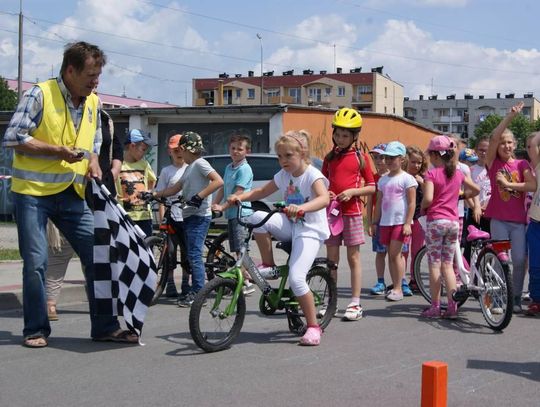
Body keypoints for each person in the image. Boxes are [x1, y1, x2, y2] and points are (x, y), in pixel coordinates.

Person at [3, 41, 136, 347]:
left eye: (98, 75)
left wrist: (92, 163)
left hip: (72, 193)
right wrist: (57, 151)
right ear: (70, 70)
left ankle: (105, 326)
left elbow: (94, 144)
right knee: (36, 261)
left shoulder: (93, 102)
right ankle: (35, 330)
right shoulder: (39, 94)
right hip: (33, 194)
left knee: (98, 255)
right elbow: (13, 137)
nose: (96, 81)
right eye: (91, 74)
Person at [227, 129, 330, 346]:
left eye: (288, 156)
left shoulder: (312, 174)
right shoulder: (283, 175)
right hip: (291, 225)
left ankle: (313, 327)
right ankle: (268, 262)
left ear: (302, 153)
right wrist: (240, 196)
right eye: (280, 156)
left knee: (296, 278)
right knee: (254, 215)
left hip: (310, 230)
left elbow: (323, 199)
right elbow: (261, 192)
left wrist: (302, 208)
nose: (283, 161)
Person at [45, 107, 122, 321]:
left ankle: (98, 303)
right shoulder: (66, 113)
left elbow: (117, 150)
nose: (93, 87)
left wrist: (113, 173)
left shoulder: (105, 118)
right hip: (70, 191)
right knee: (60, 249)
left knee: (97, 252)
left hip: (101, 192)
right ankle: (49, 302)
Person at [153, 131, 224, 307]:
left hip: (199, 217)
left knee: (193, 254)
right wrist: (153, 194)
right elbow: (174, 189)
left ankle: (198, 293)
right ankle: (195, 289)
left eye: (181, 150)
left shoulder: (200, 163)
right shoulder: (189, 168)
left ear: (184, 149)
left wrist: (199, 196)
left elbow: (218, 181)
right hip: (189, 216)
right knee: (191, 254)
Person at [321, 108, 375, 321]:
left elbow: (372, 186)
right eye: (338, 134)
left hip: (352, 213)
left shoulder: (360, 158)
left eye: (345, 135)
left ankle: (355, 302)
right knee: (331, 260)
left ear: (354, 136)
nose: (340, 139)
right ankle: (330, 301)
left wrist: (353, 192)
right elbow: (322, 184)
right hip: (332, 214)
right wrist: (327, 192)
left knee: (353, 258)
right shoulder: (328, 158)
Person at [420, 136, 480, 319]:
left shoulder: (431, 174)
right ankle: (452, 307)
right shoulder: (458, 173)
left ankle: (436, 306)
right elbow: (476, 190)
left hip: (436, 221)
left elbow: (429, 198)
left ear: (435, 155)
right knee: (448, 265)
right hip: (453, 222)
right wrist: (461, 195)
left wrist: (423, 205)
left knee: (434, 265)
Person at [485, 102, 536, 313]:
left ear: (515, 145)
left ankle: (514, 298)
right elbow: (494, 135)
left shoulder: (522, 165)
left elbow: (532, 185)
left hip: (518, 222)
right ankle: (498, 300)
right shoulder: (493, 163)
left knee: (519, 259)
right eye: (502, 143)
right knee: (500, 260)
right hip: (498, 220)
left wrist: (508, 185)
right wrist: (510, 116)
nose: (505, 146)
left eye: (509, 142)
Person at [370, 141, 417, 302]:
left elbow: (412, 203)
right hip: (385, 223)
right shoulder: (382, 180)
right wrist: (374, 222)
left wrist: (407, 223)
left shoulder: (407, 179)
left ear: (402, 159)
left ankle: (398, 288)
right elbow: (380, 203)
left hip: (399, 223)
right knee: (391, 256)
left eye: (392, 158)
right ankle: (396, 285)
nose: (389, 161)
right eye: (386, 158)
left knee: (395, 254)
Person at [211, 132, 255, 296]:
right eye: (233, 148)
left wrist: (222, 207)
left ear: (247, 151)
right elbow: (223, 188)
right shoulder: (229, 167)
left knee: (241, 250)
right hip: (232, 214)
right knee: (237, 248)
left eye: (240, 149)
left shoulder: (245, 169)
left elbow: (237, 193)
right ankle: (244, 277)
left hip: (242, 214)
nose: (236, 151)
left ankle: (246, 282)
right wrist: (215, 204)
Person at [155, 133, 190, 299]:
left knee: (187, 252)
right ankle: (168, 282)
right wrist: (162, 219)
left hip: (187, 216)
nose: (177, 153)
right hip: (171, 216)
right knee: (169, 252)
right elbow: (161, 197)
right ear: (169, 152)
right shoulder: (166, 171)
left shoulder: (191, 168)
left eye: (180, 149)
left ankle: (185, 282)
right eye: (174, 150)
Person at [116, 128, 157, 237]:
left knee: (146, 247)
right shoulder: (118, 164)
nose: (145, 153)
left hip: (144, 215)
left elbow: (152, 180)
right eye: (143, 149)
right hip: (125, 214)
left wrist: (148, 191)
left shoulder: (144, 164)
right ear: (132, 146)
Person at [403, 145, 427, 291]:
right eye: (413, 162)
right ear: (406, 161)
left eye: (419, 162)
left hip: (419, 218)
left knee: (416, 250)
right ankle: (401, 279)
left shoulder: (424, 178)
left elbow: (430, 196)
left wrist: (422, 183)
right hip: (404, 218)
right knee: (403, 250)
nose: (416, 165)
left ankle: (414, 278)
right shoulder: (402, 177)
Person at [367, 143, 390, 295]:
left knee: (398, 255)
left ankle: (400, 282)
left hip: (395, 221)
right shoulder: (373, 179)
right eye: (375, 158)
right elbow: (369, 203)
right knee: (380, 253)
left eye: (381, 157)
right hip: (379, 221)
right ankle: (381, 281)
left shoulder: (396, 176)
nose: (378, 161)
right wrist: (370, 223)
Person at [525, 131, 540, 316]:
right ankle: (537, 300)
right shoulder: (539, 165)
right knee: (536, 265)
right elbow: (534, 143)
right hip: (536, 223)